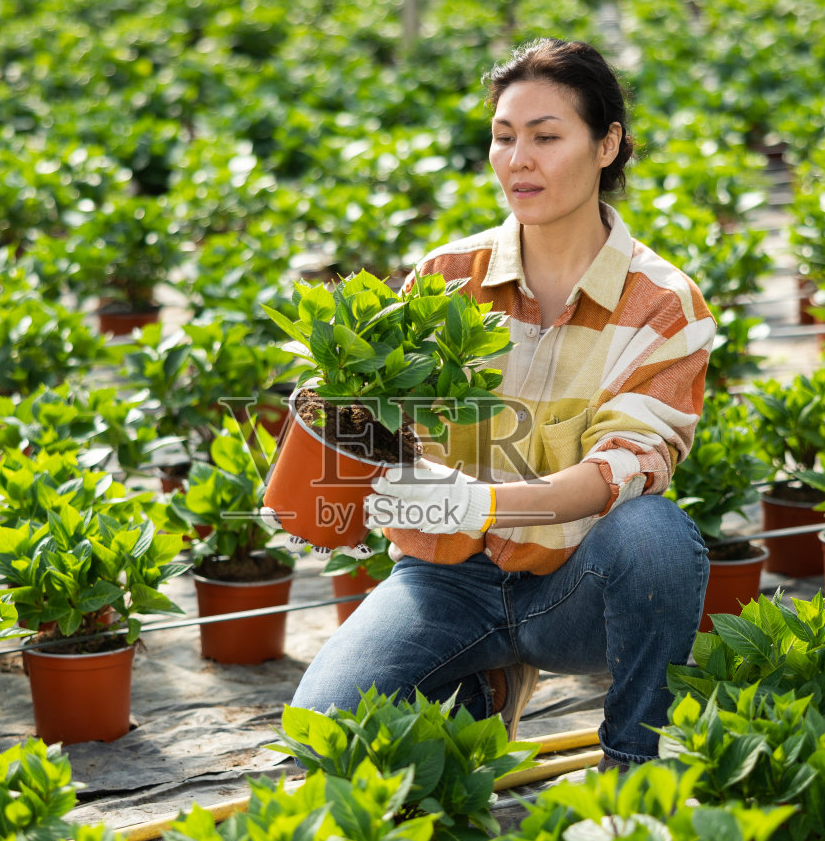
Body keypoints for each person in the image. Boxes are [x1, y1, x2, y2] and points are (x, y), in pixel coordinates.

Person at [288, 38, 715, 770]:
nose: (520, 159)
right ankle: (481, 689)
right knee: (320, 731)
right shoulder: (446, 276)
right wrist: (330, 471)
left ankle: (636, 767)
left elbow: (622, 470)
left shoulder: (662, 305)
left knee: (655, 533)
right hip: (447, 577)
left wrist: (481, 502)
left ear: (607, 144)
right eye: (504, 136)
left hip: (574, 583)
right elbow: (378, 419)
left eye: (547, 137)